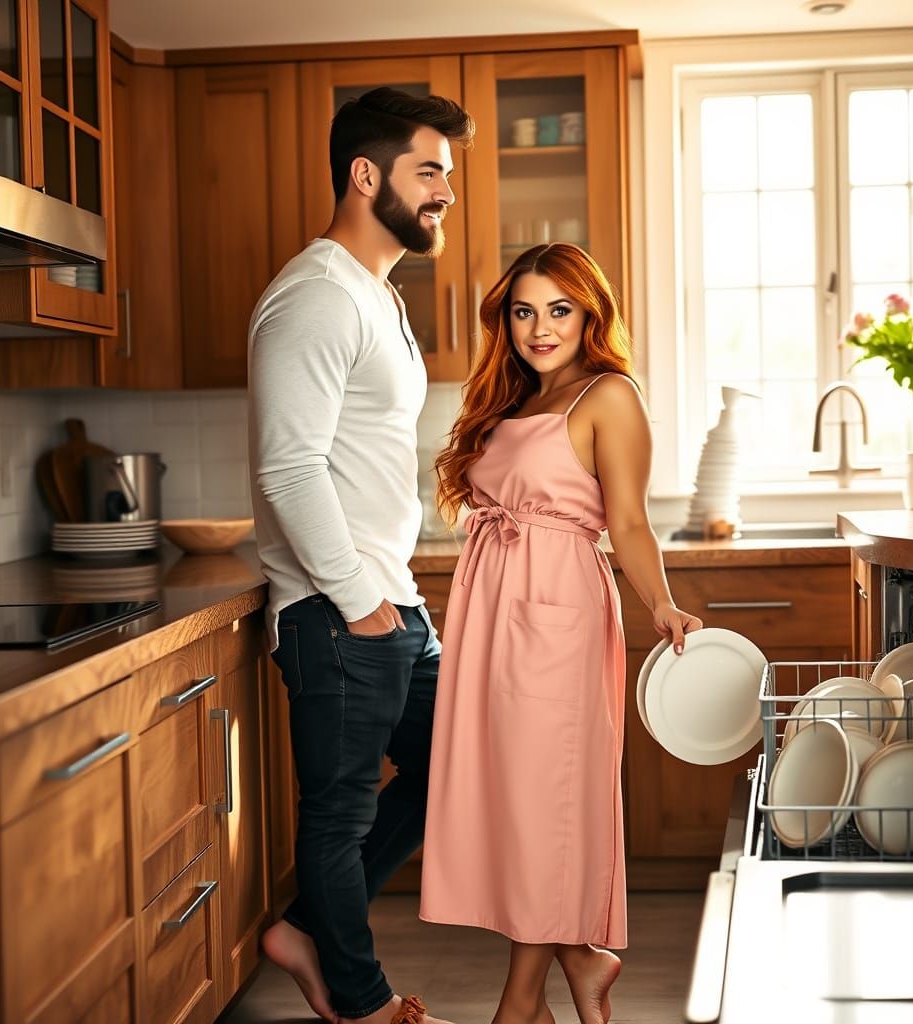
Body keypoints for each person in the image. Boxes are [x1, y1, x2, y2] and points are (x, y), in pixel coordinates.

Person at [419, 243, 703, 1024]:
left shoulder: (609, 396)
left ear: (589, 315)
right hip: (491, 614)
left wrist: (662, 604)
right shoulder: (508, 401)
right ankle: (581, 961)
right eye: (523, 311)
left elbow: (631, 523)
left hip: (557, 615)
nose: (539, 328)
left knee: (546, 799)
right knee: (513, 798)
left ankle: (520, 1005)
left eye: (558, 309)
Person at [247, 87, 474, 1024]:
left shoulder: (374, 294)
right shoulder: (313, 296)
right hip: (338, 612)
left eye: (449, 179)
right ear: (365, 174)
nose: (445, 195)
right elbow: (289, 468)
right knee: (338, 814)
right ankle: (361, 997)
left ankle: (303, 928)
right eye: (430, 173)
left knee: (452, 768)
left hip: (387, 600)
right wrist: (357, 600)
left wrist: (396, 595)